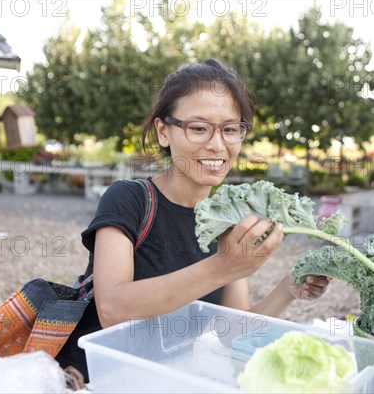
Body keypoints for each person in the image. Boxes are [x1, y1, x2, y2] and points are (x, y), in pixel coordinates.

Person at [55, 59, 330, 379]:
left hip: (161, 380)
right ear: (163, 132)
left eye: (230, 129)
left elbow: (232, 332)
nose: (217, 144)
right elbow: (113, 309)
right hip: (91, 379)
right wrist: (223, 266)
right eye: (198, 128)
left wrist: (287, 290)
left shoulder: (228, 222)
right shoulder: (128, 200)